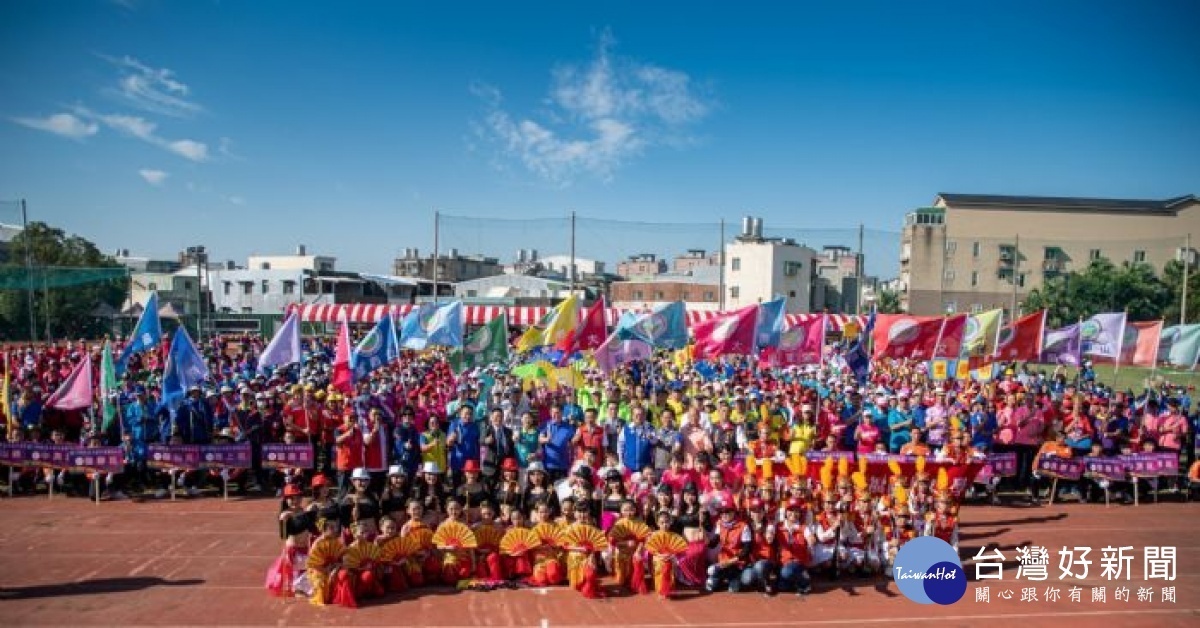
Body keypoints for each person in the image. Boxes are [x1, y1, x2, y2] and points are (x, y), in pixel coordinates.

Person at [705, 500, 750, 593]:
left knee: (733, 590)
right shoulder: (720, 524)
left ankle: (734, 578)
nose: (724, 514)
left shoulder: (744, 526)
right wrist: (705, 537)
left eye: (727, 512)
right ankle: (719, 579)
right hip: (723, 562)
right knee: (710, 571)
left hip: (737, 564)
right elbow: (713, 544)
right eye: (722, 512)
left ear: (733, 512)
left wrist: (731, 561)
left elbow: (746, 550)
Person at [775, 498, 813, 596]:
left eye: (797, 511)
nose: (793, 513)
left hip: (798, 562)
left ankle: (805, 581)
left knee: (786, 572)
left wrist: (811, 541)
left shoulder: (803, 527)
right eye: (791, 510)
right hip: (783, 562)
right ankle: (796, 581)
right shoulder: (779, 526)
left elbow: (810, 537)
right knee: (781, 586)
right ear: (786, 512)